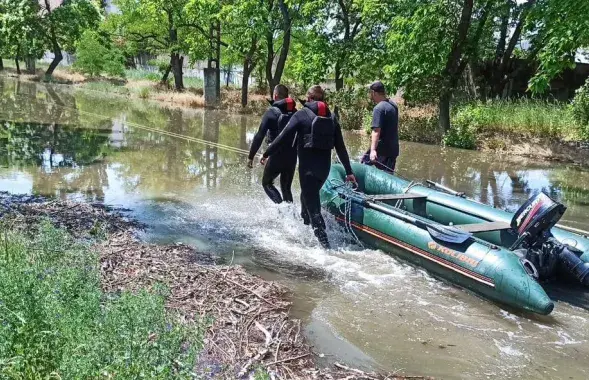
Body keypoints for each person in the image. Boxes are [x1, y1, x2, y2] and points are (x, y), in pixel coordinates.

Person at [261, 85, 356, 249]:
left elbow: (282, 137)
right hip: (323, 171)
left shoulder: (301, 115)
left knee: (314, 210)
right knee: (305, 200)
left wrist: (266, 153)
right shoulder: (332, 118)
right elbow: (341, 148)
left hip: (308, 172)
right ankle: (304, 234)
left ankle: (326, 250)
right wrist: (349, 172)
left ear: (309, 98)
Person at [248, 84, 297, 204]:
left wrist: (251, 156)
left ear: (275, 96)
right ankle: (292, 216)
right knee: (286, 188)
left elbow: (259, 136)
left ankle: (282, 210)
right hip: (292, 155)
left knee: (266, 183)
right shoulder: (296, 113)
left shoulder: (271, 112)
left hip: (275, 154)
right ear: (286, 97)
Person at [361, 81, 399, 173]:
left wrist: (373, 150)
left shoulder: (378, 108)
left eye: (370, 92)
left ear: (374, 93)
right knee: (388, 175)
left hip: (381, 150)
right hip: (393, 149)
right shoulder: (393, 105)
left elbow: (376, 131)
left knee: (363, 166)